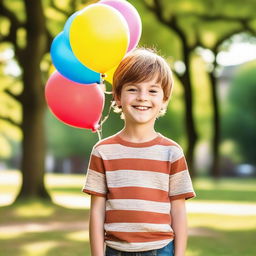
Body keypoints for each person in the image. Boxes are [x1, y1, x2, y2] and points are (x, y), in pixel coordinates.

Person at [82, 47, 196, 256]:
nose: (142, 97)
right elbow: (97, 212)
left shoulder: (172, 152)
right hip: (116, 250)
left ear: (164, 99)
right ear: (117, 96)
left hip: (161, 250)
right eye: (133, 89)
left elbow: (178, 211)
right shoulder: (103, 151)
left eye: (153, 90)